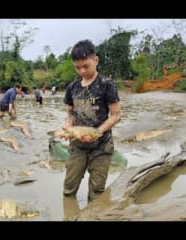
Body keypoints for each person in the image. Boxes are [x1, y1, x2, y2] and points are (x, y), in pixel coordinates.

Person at [60, 39, 121, 203]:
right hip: (77, 146)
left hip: (101, 146)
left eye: (85, 66)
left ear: (96, 60)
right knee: (68, 188)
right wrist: (69, 126)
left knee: (96, 193)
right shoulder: (72, 87)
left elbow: (116, 115)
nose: (81, 71)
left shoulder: (107, 84)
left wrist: (97, 132)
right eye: (77, 67)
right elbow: (70, 113)